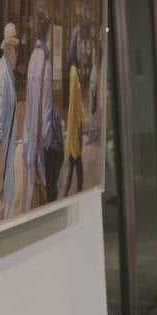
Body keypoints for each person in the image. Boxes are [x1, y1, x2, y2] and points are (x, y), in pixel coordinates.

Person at [23, 0, 53, 210]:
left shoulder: (33, 57)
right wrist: (46, 140)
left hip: (29, 144)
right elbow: (47, 108)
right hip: (40, 146)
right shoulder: (46, 63)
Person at [0, 23, 22, 223]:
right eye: (15, 49)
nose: (17, 54)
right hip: (0, 173)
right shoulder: (2, 76)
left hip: (6, 168)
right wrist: (0, 184)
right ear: (9, 49)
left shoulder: (7, 73)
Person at [62, 35, 89, 196]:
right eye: (78, 43)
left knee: (75, 164)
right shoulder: (73, 73)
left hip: (77, 127)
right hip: (75, 128)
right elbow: (72, 106)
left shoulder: (75, 72)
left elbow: (77, 104)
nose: (81, 48)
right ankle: (71, 194)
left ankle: (71, 194)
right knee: (75, 163)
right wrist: (72, 133)